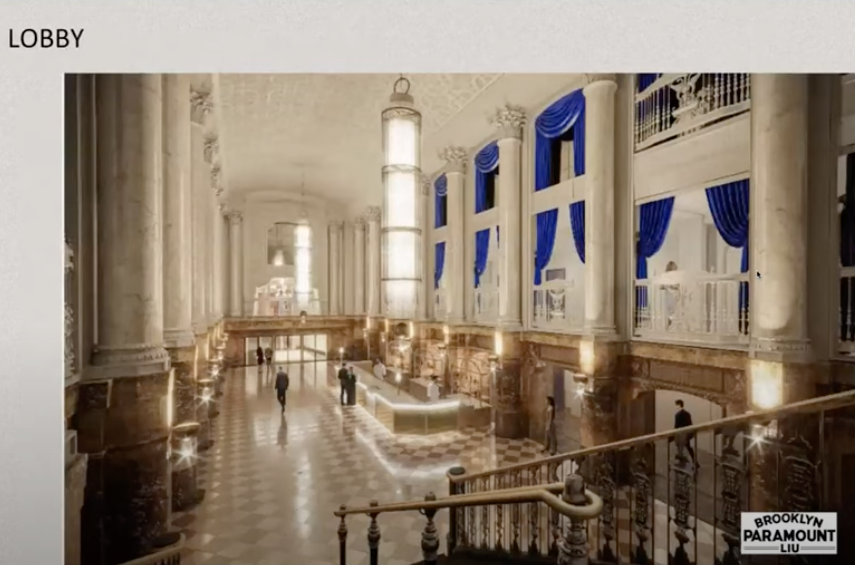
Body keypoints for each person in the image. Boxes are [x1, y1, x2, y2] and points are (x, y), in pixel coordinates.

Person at [674, 399, 698, 467]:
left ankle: (682, 461)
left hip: (681, 434)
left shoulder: (677, 415)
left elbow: (676, 426)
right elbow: (690, 424)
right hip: (686, 433)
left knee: (680, 447)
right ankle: (694, 460)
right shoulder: (687, 414)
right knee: (688, 447)